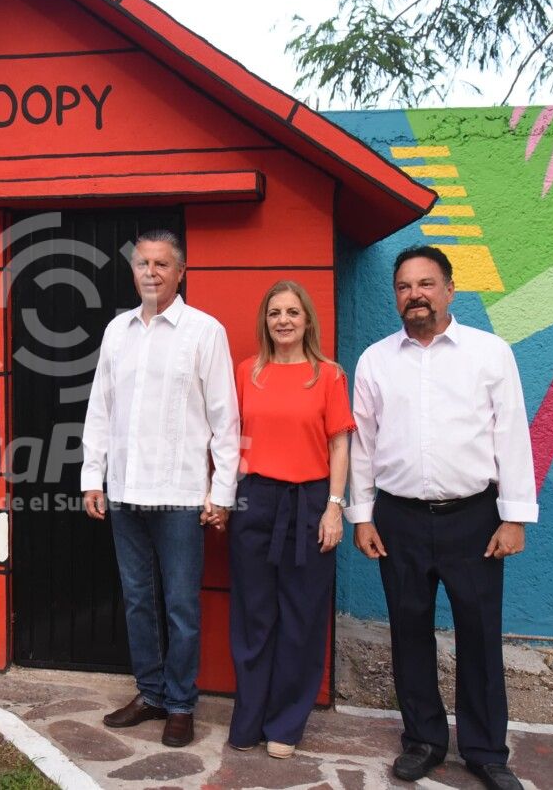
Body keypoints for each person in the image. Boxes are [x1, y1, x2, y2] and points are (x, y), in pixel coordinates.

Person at [348, 246, 536, 790]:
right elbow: (363, 444)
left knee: (480, 634)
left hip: (474, 519)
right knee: (409, 631)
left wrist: (514, 517)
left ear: (450, 290)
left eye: (426, 284)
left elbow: (512, 433)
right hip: (399, 519)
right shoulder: (376, 360)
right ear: (396, 297)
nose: (416, 295)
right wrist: (362, 516)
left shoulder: (489, 353)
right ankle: (424, 740)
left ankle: (485, 751)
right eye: (405, 287)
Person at [81, 229, 240, 748]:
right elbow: (101, 408)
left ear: (181, 271)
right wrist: (92, 476)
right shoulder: (117, 330)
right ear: (133, 270)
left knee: (181, 606)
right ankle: (149, 693)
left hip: (180, 494)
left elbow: (225, 418)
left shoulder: (204, 331)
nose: (151, 272)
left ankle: (180, 704)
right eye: (142, 263)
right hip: (125, 491)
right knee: (137, 600)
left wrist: (222, 493)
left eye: (162, 264)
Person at [226, 280, 354, 758]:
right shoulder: (247, 372)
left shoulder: (329, 375)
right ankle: (249, 719)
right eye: (275, 312)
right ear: (265, 320)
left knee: (301, 617)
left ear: (307, 321)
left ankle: (284, 724)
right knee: (253, 615)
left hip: (309, 503)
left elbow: (340, 444)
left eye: (292, 312)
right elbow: (230, 436)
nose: (283, 320)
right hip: (255, 500)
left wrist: (335, 507)